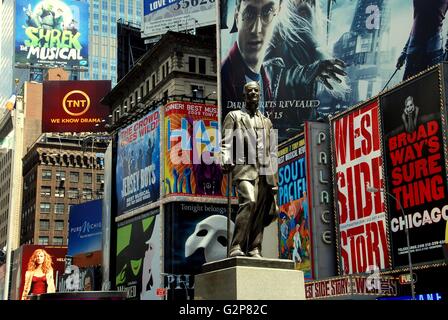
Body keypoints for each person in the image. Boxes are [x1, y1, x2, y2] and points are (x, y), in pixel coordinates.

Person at [221, 81, 279, 258]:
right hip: (244, 167)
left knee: (260, 211)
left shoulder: (267, 121)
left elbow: (272, 151)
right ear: (244, 96)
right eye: (249, 91)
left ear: (259, 95)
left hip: (264, 171)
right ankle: (236, 245)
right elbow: (226, 142)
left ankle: (255, 247)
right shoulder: (234, 116)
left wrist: (274, 179)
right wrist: (225, 158)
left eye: (256, 91)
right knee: (249, 202)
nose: (253, 93)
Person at [221, 0, 283, 115]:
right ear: (236, 15)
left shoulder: (266, 79)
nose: (257, 29)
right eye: (249, 14)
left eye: (268, 12)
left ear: (278, 13)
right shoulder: (225, 77)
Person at [396, 0, 448, 80]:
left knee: (428, 89)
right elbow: (418, 19)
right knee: (408, 90)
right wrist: (404, 51)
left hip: (432, 51)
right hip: (414, 49)